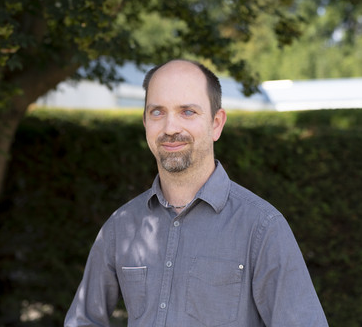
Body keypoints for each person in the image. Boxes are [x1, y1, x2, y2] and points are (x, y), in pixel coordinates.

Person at [64, 59, 328, 327]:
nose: (170, 128)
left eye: (187, 112)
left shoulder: (262, 228)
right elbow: (83, 320)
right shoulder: (121, 227)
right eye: (157, 112)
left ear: (216, 123)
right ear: (145, 122)